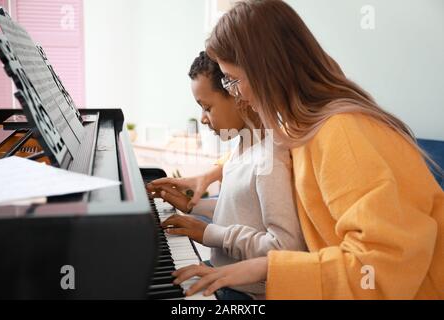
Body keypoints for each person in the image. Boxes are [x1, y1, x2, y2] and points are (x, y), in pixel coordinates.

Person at [169, 0, 444, 300]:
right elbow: (267, 153)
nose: (239, 97)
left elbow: (378, 270)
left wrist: (264, 269)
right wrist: (210, 175)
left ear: (266, 71)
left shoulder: (343, 132)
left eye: (233, 81)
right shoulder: (302, 126)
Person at [148, 51, 307, 300]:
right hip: (224, 276)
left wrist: (208, 233)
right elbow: (244, 211)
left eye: (207, 107)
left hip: (248, 294)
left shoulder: (270, 160)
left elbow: (284, 249)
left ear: (237, 96)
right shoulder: (243, 145)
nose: (202, 118)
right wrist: (194, 205)